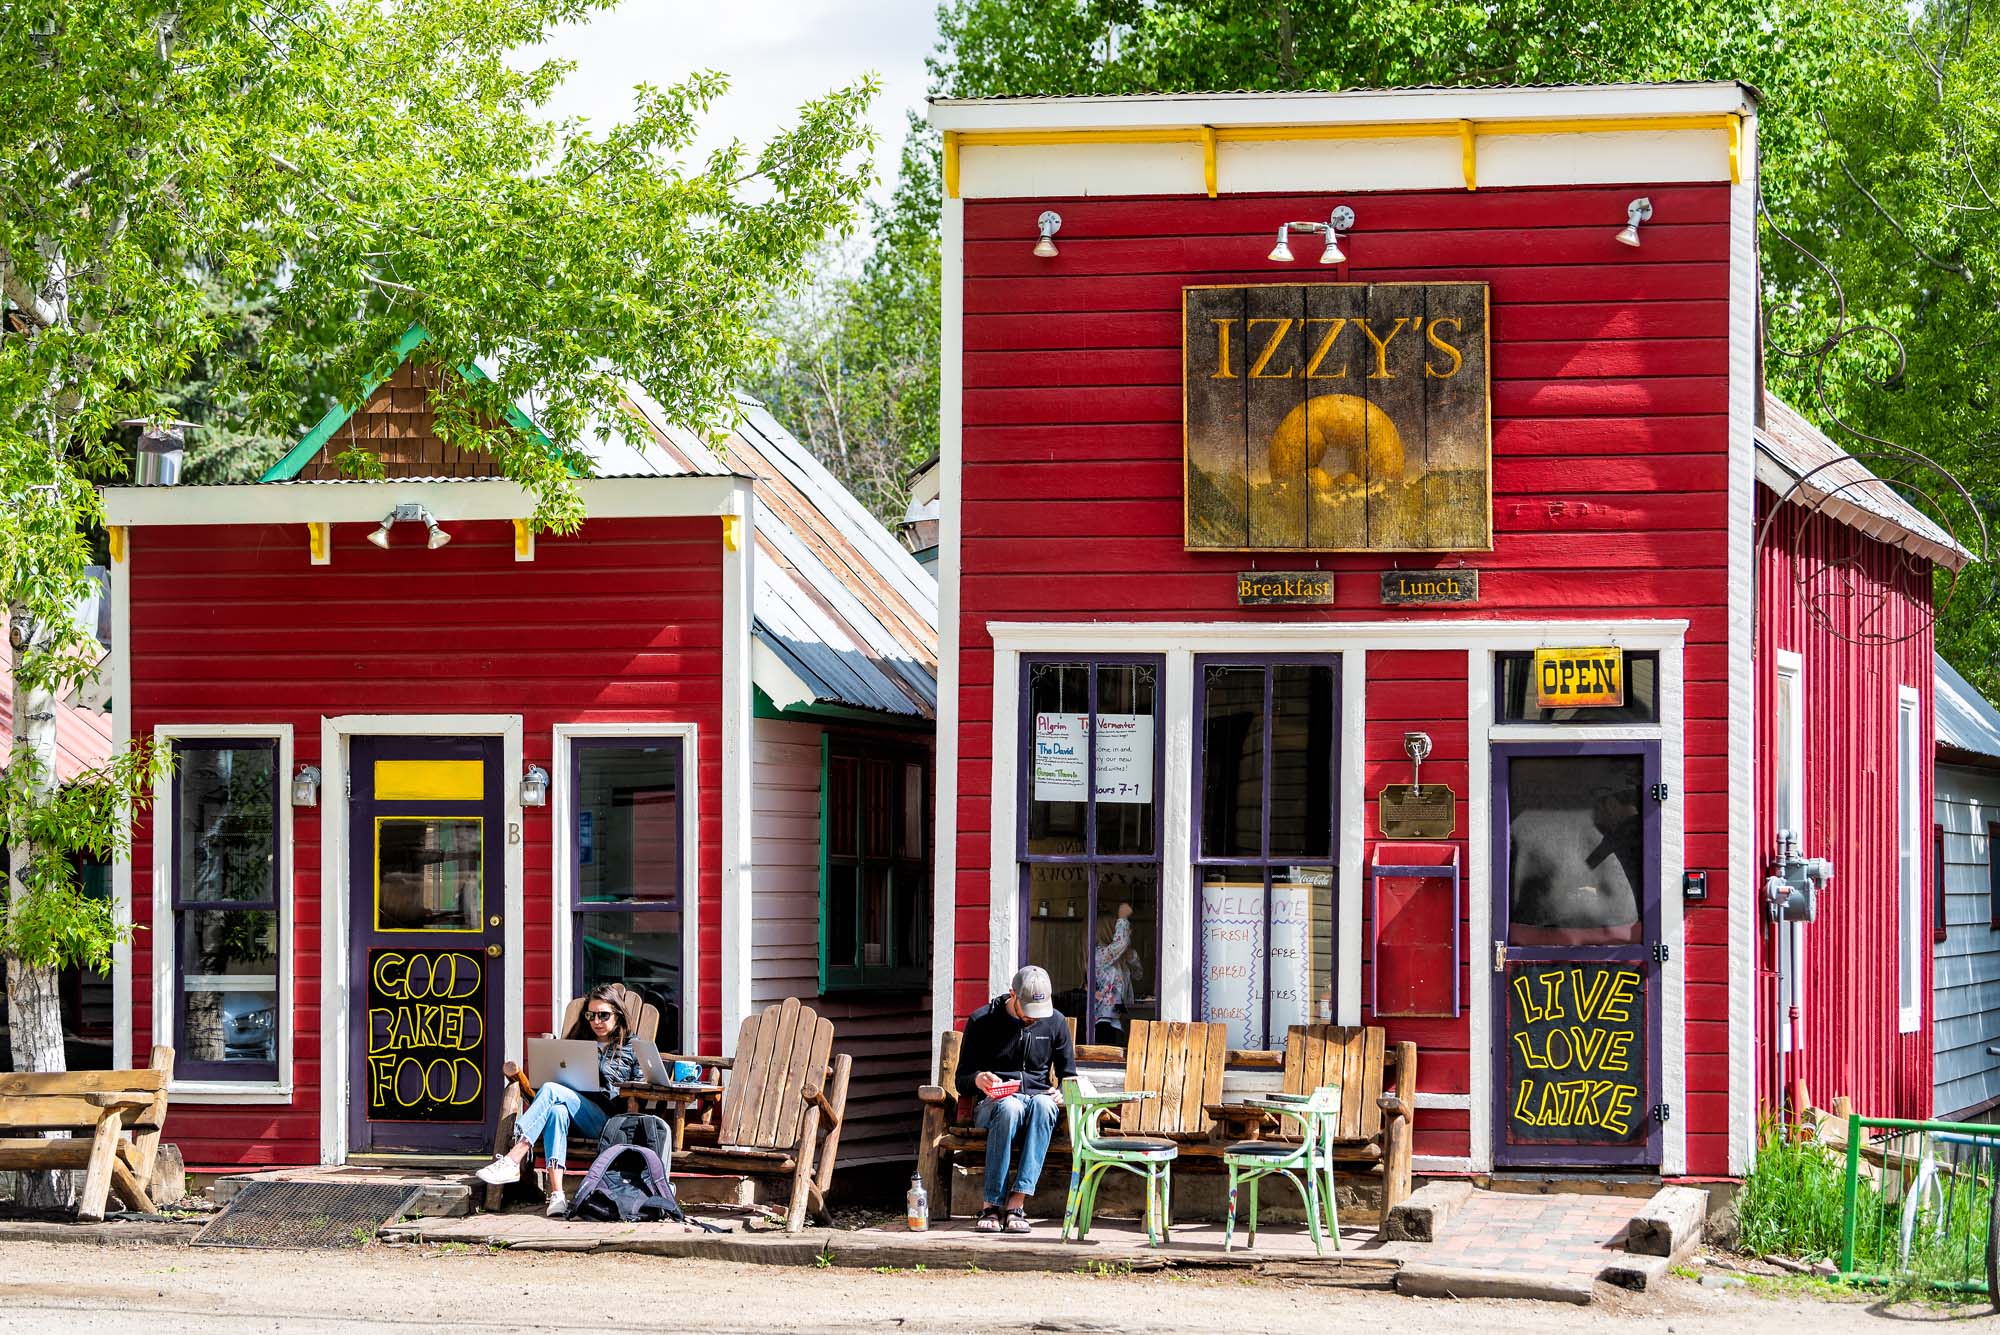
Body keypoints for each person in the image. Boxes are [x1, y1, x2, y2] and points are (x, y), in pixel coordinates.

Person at [475, 982, 643, 1216]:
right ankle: (557, 1195)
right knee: (555, 1110)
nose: (596, 1021)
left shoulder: (632, 1047)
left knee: (552, 1090)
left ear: (618, 1014)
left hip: (607, 1120)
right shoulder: (577, 1042)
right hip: (571, 1113)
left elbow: (642, 1088)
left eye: (603, 1015)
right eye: (591, 1015)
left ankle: (513, 1158)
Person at [956, 964, 1076, 1235]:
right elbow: (961, 1079)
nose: (1033, 1019)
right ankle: (991, 1205)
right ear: (1013, 994)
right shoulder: (982, 1021)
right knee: (1009, 1107)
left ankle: (1016, 1203)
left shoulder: (1055, 1022)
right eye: (1028, 1012)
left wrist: (1063, 1092)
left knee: (1046, 1105)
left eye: (1039, 1013)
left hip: (1037, 1103)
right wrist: (978, 1079)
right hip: (994, 1105)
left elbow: (1069, 1076)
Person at [1091, 901, 1140, 1045]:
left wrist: (1131, 955)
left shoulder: (1115, 956)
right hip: (1103, 1020)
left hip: (1118, 1019)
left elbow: (1138, 974)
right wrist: (1123, 918)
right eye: (1117, 927)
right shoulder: (1099, 954)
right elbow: (1120, 943)